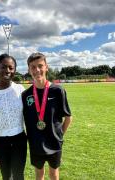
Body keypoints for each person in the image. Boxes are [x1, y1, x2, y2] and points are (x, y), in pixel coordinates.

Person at [22, 52, 72, 180]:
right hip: (35, 143)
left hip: (54, 142)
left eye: (40, 66)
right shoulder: (26, 94)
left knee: (54, 174)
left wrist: (60, 135)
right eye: (33, 67)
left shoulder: (57, 90)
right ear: (28, 69)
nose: (37, 70)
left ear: (46, 67)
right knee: (39, 174)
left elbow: (68, 117)